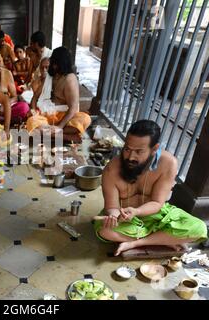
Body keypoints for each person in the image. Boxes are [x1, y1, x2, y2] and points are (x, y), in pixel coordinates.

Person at [94, 120, 207, 256]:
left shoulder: (168, 163)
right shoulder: (111, 169)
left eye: (139, 152)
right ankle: (162, 239)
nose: (130, 157)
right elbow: (112, 206)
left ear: (154, 149)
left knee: (199, 228)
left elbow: (157, 203)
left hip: (157, 214)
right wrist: (114, 216)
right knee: (105, 231)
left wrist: (136, 211)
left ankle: (136, 242)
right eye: (127, 149)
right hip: (125, 219)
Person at [26, 47, 91, 143]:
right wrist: (33, 111)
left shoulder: (70, 79)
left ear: (62, 63)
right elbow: (35, 97)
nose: (54, 66)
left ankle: (53, 135)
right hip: (46, 117)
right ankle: (65, 137)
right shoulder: (50, 76)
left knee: (85, 119)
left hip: (65, 119)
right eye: (54, 63)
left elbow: (73, 108)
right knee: (31, 122)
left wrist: (59, 127)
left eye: (56, 64)